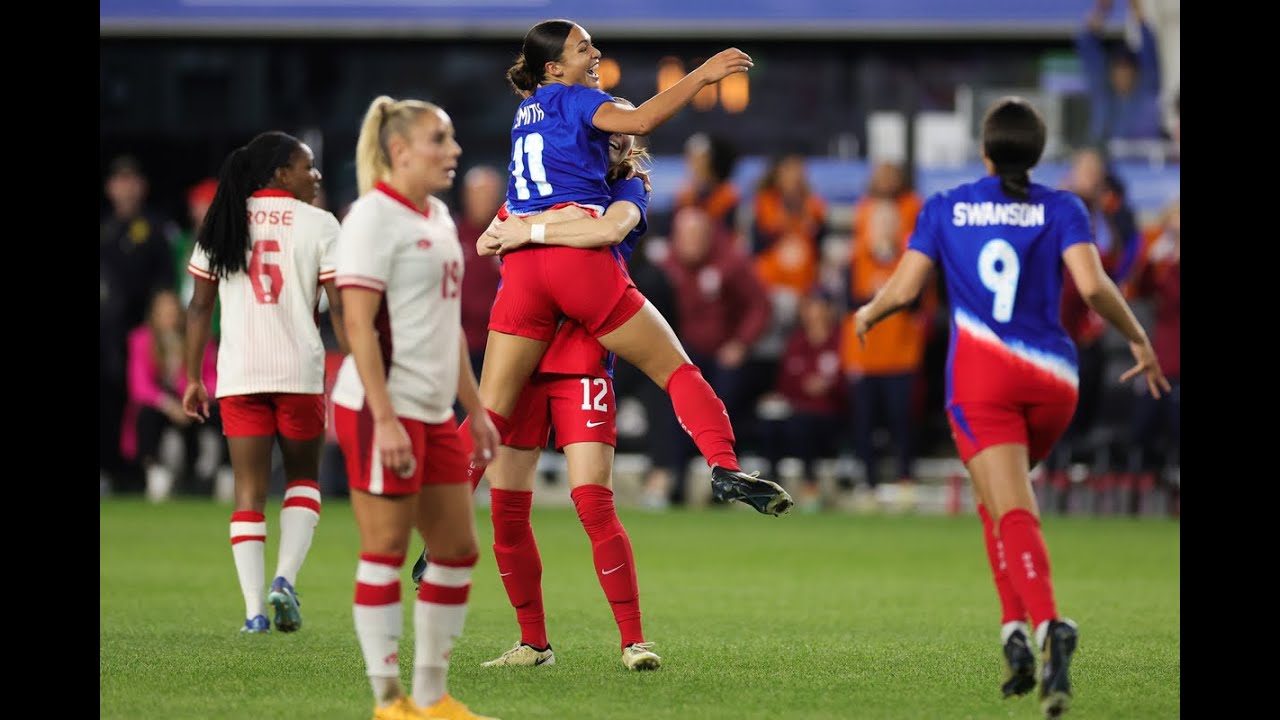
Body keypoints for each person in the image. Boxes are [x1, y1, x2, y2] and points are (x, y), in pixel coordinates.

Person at [852, 97, 1170, 718]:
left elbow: (909, 286)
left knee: (1010, 509)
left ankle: (1050, 626)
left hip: (984, 380)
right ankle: (1013, 635)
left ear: (985, 152)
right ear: (1039, 153)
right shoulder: (1063, 207)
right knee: (997, 500)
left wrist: (869, 311)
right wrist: (1137, 337)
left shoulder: (945, 206)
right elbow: (1093, 286)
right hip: (1055, 380)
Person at [474, 18, 792, 517]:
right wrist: (704, 75)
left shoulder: (527, 120)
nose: (595, 54)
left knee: (489, 415)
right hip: (584, 288)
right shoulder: (590, 124)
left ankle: (440, 520)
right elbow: (635, 137)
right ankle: (724, 463)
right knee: (677, 371)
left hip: (525, 284)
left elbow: (486, 241)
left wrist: (523, 230)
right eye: (585, 48)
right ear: (555, 68)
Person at [417, 107, 663, 672]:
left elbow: (608, 231)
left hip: (578, 358)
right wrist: (518, 227)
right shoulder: (535, 185)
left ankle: (633, 641)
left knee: (593, 502)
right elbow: (486, 243)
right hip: (522, 360)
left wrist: (534, 232)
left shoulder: (622, 190)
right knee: (508, 509)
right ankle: (534, 645)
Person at [331, 95, 501, 720]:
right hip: (383, 411)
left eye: (452, 139)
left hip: (433, 413)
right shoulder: (372, 218)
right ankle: (387, 700)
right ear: (400, 150)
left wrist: (476, 409)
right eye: (440, 140)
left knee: (456, 551)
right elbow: (356, 324)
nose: (453, 151)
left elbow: (446, 326)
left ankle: (433, 695)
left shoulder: (436, 217)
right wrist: (385, 417)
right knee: (386, 549)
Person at [182, 131, 347, 636]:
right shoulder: (320, 223)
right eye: (308, 166)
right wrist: (362, 364)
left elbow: (199, 306)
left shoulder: (224, 219)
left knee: (248, 494)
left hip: (239, 375)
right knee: (303, 480)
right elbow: (340, 305)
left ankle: (254, 611)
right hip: (298, 372)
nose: (316, 176)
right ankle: (285, 579)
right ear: (281, 173)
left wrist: (192, 378)